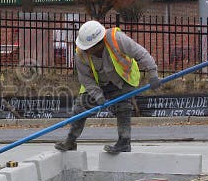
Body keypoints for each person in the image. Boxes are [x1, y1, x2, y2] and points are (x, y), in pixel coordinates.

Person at [55, 20, 161, 154]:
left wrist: (153, 74)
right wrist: (98, 96)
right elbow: (85, 79)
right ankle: (70, 141)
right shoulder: (80, 54)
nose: (87, 50)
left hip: (122, 80)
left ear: (99, 43)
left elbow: (141, 53)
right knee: (80, 108)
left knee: (123, 107)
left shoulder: (116, 39)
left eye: (89, 48)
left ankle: (124, 142)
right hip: (99, 84)